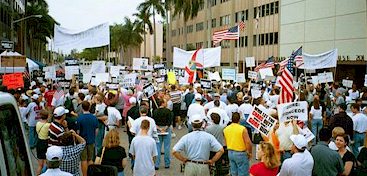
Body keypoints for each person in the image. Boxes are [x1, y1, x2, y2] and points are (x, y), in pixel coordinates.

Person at [76, 101, 99, 176]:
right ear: (89, 107)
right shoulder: (94, 118)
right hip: (91, 140)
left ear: (82, 107)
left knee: (83, 160)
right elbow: (96, 130)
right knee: (90, 159)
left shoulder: (79, 118)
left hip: (82, 141)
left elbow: (78, 132)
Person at [152, 99, 173, 169]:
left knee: (158, 147)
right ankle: (167, 163)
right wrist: (165, 128)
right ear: (163, 103)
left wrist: (160, 129)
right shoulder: (168, 111)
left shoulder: (155, 111)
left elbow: (154, 122)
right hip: (166, 129)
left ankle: (157, 164)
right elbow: (169, 121)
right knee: (167, 147)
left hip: (158, 129)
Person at [36, 109, 51, 175]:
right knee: (46, 164)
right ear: (47, 116)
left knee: (40, 165)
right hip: (46, 143)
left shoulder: (38, 123)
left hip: (39, 142)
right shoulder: (48, 125)